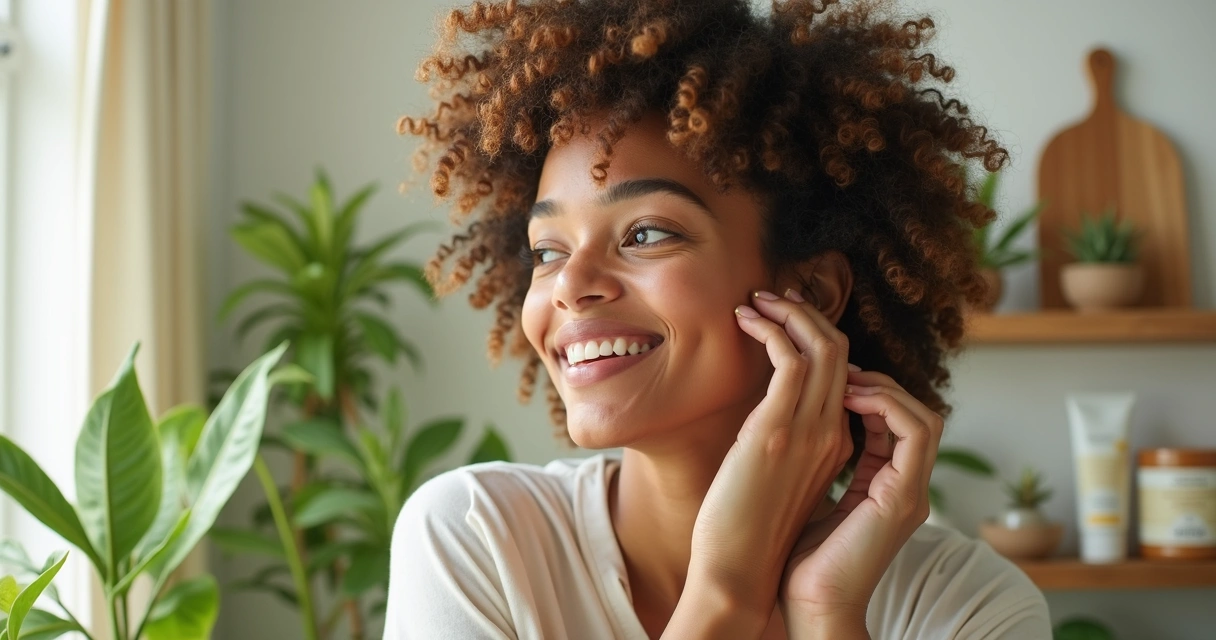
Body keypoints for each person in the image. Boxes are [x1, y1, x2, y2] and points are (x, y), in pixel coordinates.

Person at [386, 0, 1050, 637]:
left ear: (813, 294)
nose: (570, 286)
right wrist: (725, 595)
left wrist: (827, 613)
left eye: (645, 234)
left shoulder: (968, 610)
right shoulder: (475, 539)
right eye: (547, 251)